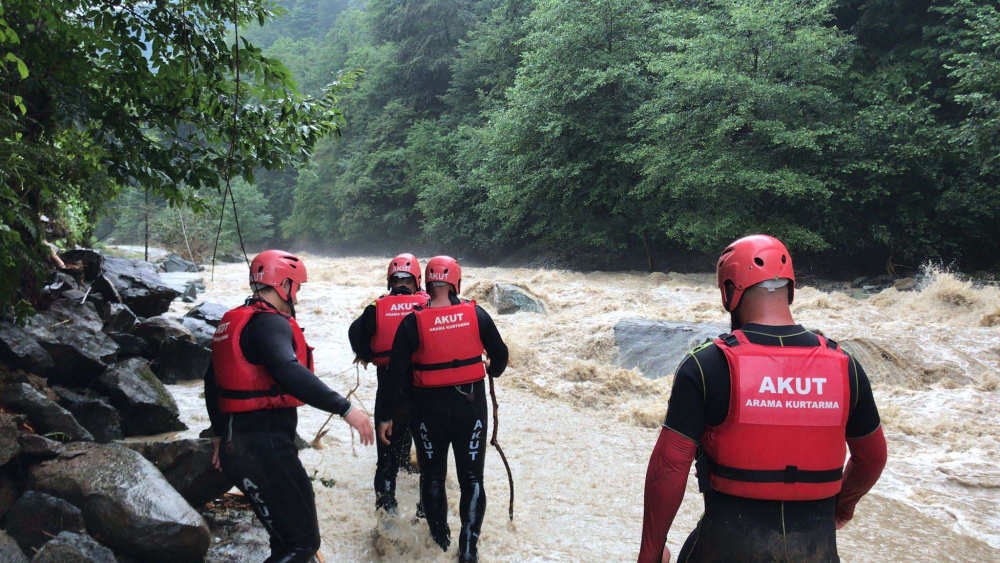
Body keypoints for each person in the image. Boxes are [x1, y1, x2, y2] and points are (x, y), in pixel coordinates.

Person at [637, 235, 888, 563]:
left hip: (723, 549)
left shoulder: (706, 365)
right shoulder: (846, 366)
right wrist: (842, 506)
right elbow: (872, 458)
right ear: (791, 289)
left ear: (729, 292)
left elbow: (669, 467)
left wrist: (650, 554)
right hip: (818, 550)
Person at [205, 250, 375, 563]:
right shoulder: (270, 323)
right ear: (283, 283)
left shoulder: (235, 321)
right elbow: (288, 371)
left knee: (283, 542)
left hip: (238, 446)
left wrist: (220, 436)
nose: (298, 294)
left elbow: (210, 381)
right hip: (265, 448)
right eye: (297, 286)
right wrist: (346, 409)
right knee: (302, 545)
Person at [378, 256, 509, 563]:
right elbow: (500, 358)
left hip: (427, 412)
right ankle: (467, 548)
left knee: (433, 478)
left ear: (425, 283)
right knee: (472, 480)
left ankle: (439, 542)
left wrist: (386, 417)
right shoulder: (476, 314)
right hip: (470, 408)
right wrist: (490, 367)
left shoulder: (413, 321)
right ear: (457, 284)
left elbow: (394, 376)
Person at [348, 253, 428, 513]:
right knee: (430, 458)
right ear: (417, 281)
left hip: (390, 393)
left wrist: (367, 355)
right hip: (426, 391)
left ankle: (387, 509)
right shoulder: (429, 305)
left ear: (390, 282)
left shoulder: (376, 307)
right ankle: (426, 512)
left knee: (387, 457)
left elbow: (354, 332)